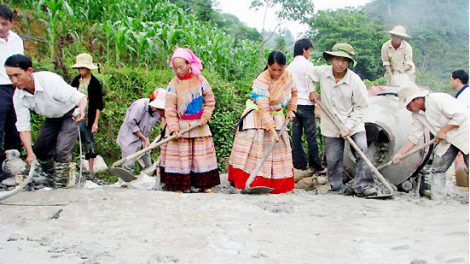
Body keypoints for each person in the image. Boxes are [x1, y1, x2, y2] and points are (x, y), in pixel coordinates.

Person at [306, 43, 378, 197]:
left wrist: (349, 127)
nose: (340, 63)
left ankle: (364, 186)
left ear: (349, 63)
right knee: (333, 158)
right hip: (331, 122)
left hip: (353, 121)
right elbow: (308, 75)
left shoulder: (355, 81)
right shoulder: (322, 72)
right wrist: (312, 90)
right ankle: (336, 188)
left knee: (362, 150)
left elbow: (361, 107)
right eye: (337, 59)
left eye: (344, 60)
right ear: (331, 59)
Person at [5, 54, 87, 188]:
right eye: (10, 76)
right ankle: (49, 176)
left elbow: (80, 98)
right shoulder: (19, 97)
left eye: (17, 75)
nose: (14, 80)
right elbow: (23, 127)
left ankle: (61, 185)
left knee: (62, 149)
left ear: (29, 71)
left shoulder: (50, 81)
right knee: (40, 149)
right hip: (52, 117)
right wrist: (30, 153)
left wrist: (82, 110)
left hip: (70, 114)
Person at [228, 50, 297, 194]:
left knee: (278, 151)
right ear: (268, 65)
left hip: (277, 115)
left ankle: (277, 184)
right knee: (256, 149)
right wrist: (272, 131)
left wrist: (292, 109)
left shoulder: (289, 76)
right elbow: (264, 109)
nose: (277, 73)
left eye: (280, 69)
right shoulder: (262, 80)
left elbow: (295, 92)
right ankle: (249, 181)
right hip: (257, 116)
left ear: (285, 67)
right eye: (273, 69)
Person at [392, 81, 470, 198]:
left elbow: (461, 116)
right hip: (448, 140)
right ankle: (437, 196)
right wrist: (400, 154)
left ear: (416, 99)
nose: (407, 108)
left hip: (465, 133)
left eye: (408, 104)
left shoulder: (438, 100)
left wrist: (443, 130)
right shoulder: (417, 115)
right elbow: (414, 137)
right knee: (438, 167)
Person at [158, 48, 220, 193]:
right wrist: (173, 128)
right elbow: (170, 108)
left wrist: (206, 116)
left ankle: (205, 185)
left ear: (189, 64)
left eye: (181, 67)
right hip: (180, 125)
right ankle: (179, 186)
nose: (178, 70)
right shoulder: (173, 84)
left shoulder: (200, 80)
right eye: (175, 68)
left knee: (200, 156)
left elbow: (210, 100)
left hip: (199, 124)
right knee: (180, 157)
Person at [287, 38, 326, 175]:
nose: (310, 53)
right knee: (311, 136)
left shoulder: (289, 67)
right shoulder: (308, 65)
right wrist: (317, 106)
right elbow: (312, 87)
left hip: (294, 106)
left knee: (296, 137)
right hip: (306, 105)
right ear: (305, 49)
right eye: (310, 50)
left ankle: (299, 165)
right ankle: (316, 165)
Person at [117, 88, 166, 175]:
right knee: (129, 164)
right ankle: (124, 184)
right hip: (130, 137)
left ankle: (143, 183)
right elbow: (131, 123)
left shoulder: (160, 110)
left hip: (144, 139)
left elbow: (164, 120)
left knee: (147, 166)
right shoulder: (140, 105)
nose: (155, 109)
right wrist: (144, 138)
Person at [71, 53, 104, 180]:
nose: (80, 70)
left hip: (88, 118)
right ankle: (69, 167)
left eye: (82, 68)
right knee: (70, 140)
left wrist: (95, 122)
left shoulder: (94, 83)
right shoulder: (76, 81)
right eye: (79, 68)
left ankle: (90, 170)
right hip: (74, 115)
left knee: (89, 141)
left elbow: (97, 105)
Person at [0, 5, 23, 181]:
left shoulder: (17, 40)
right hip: (0, 88)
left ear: (12, 23)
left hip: (16, 88)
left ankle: (14, 167)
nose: (1, 27)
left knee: (15, 127)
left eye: (4, 24)